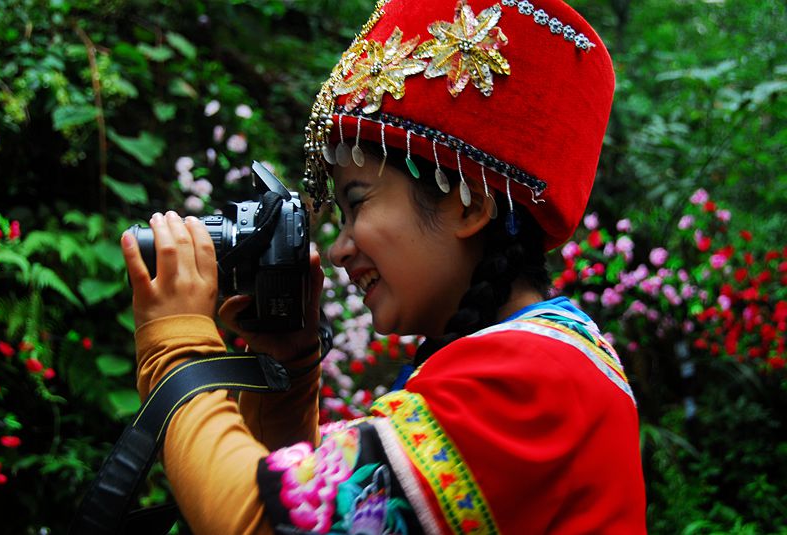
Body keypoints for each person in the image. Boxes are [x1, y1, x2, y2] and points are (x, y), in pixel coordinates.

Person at [121, 0, 647, 532]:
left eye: (358, 202)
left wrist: (176, 346)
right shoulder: (537, 363)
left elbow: (260, 524)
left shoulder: (530, 378)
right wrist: (289, 374)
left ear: (467, 206)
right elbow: (314, 510)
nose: (338, 250)